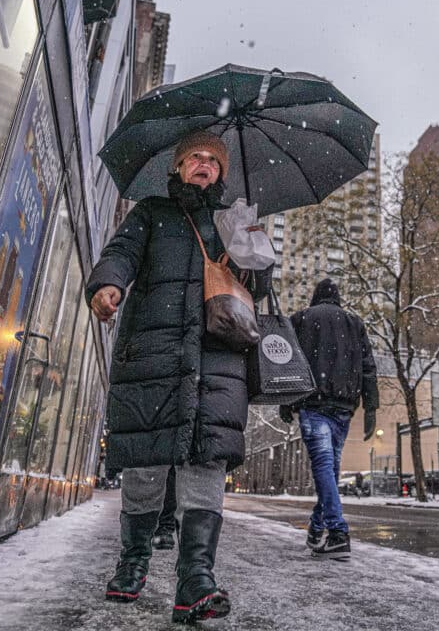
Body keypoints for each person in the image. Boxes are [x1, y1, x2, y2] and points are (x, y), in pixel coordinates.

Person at [86, 129, 273, 624]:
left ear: (223, 172)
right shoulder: (150, 213)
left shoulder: (233, 221)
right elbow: (120, 254)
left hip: (217, 361)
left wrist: (251, 245)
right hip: (155, 353)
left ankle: (196, 580)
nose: (205, 164)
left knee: (206, 464)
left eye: (215, 159)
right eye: (196, 157)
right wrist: (107, 285)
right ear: (178, 167)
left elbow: (261, 285)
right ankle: (133, 562)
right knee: (146, 468)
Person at [278, 278, 379, 561]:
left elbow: (288, 361)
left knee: (323, 466)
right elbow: (369, 367)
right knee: (330, 469)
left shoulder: (301, 319)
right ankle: (317, 527)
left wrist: (286, 400)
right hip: (344, 407)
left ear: (315, 296)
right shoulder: (354, 323)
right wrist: (371, 408)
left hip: (314, 403)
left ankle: (337, 533)